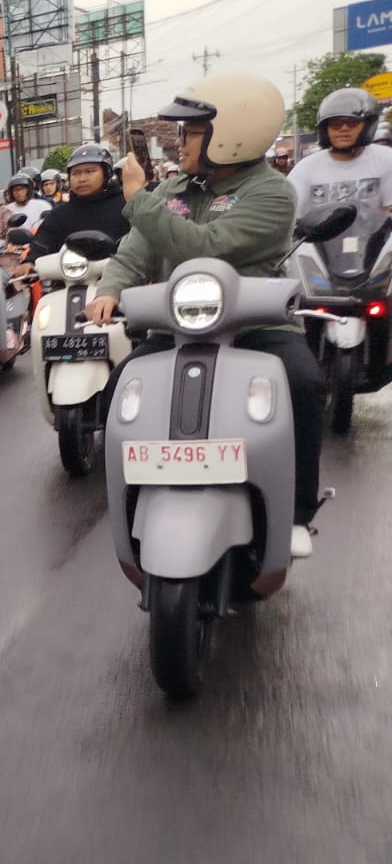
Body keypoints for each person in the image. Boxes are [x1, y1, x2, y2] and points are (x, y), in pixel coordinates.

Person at [85, 73, 325, 559]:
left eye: (192, 132)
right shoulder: (175, 187)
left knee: (303, 383)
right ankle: (134, 501)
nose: (180, 141)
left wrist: (138, 200)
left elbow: (203, 246)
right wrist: (109, 289)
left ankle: (297, 512)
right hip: (178, 326)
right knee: (116, 390)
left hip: (256, 326)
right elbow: (136, 252)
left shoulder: (271, 193)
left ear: (231, 133)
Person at [286, 87, 392, 278]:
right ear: (325, 130)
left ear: (367, 125)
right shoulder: (306, 168)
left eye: (351, 123)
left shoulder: (386, 160)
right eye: (335, 124)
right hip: (321, 258)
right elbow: (288, 215)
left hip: (377, 253)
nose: (343, 129)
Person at [20, 143, 131, 265]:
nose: (82, 179)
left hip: (124, 276)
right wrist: (29, 262)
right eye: (76, 173)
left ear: (107, 174)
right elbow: (42, 243)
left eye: (89, 171)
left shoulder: (127, 204)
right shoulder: (59, 215)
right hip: (68, 278)